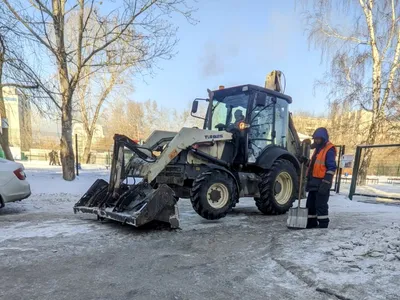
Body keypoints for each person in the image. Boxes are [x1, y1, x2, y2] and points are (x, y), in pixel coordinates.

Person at [306, 127, 337, 229]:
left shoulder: (329, 149)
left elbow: (331, 167)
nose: (317, 140)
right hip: (314, 181)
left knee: (321, 204)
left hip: (322, 181)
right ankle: (311, 223)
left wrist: (326, 181)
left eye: (319, 139)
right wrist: (306, 162)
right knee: (310, 204)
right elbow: (315, 164)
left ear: (323, 138)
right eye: (315, 139)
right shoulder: (318, 149)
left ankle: (323, 225)